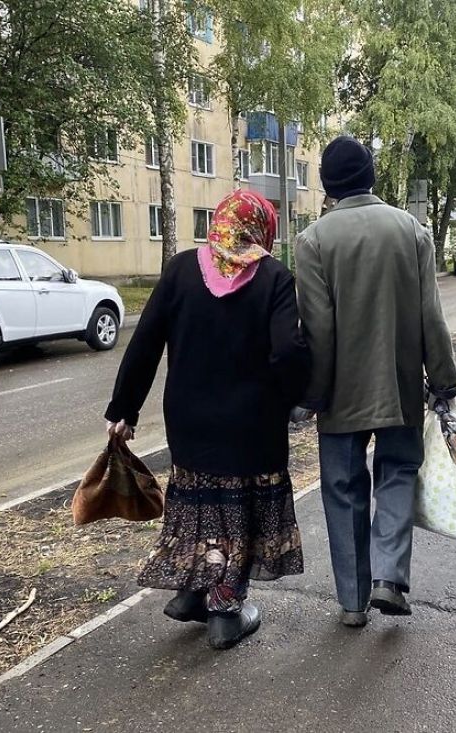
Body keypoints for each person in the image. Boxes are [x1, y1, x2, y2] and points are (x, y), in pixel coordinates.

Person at [105, 189, 311, 650]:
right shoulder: (274, 277)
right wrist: (298, 396)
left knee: (199, 504)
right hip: (252, 425)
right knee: (240, 512)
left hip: (189, 420)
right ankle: (225, 614)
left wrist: (124, 409)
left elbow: (145, 342)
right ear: (263, 229)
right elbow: (287, 350)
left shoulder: (180, 269)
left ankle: (190, 592)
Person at [294, 136, 456, 628]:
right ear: (371, 176)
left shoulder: (314, 241)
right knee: (398, 473)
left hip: (340, 395)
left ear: (327, 185)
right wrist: (444, 382)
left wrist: (311, 396)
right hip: (400, 388)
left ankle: (352, 601)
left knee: (343, 487)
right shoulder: (411, 231)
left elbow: (317, 331)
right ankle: (388, 575)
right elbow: (431, 316)